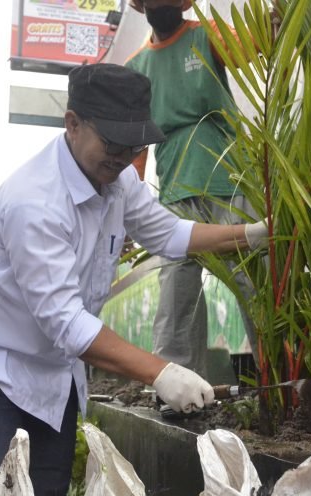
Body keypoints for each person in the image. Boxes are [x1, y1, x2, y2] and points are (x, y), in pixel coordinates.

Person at [0, 63, 268, 496]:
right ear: (73, 123)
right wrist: (160, 372)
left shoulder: (117, 179)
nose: (124, 156)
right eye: (113, 141)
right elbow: (67, 322)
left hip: (50, 371)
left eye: (135, 145)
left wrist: (253, 234)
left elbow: (169, 234)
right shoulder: (35, 202)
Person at [125, 0, 258, 379]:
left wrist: (276, 25)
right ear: (143, 7)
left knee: (252, 283)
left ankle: (279, 378)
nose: (161, 5)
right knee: (175, 293)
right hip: (175, 190)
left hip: (228, 180)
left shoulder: (206, 35)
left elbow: (253, 45)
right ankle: (176, 385)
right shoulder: (136, 68)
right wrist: (127, 207)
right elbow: (134, 150)